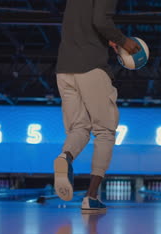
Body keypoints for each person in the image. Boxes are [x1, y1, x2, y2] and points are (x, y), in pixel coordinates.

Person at [54, 0, 140, 213]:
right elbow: (100, 20)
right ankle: (91, 197)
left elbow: (85, 26)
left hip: (64, 70)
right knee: (105, 131)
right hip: (91, 68)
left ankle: (65, 157)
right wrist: (123, 41)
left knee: (79, 128)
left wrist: (108, 39)